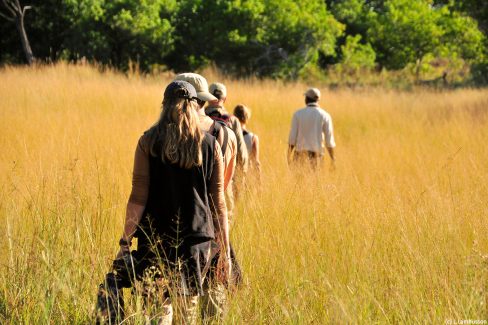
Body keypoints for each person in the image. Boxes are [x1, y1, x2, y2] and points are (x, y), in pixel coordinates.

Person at [96, 81, 231, 324]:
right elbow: (218, 204)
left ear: (164, 104)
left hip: (154, 241)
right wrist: (225, 251)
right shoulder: (210, 145)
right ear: (194, 105)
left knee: (158, 312)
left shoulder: (148, 142)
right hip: (197, 243)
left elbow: (137, 198)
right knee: (186, 312)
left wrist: (125, 242)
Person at [206, 82, 248, 214]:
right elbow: (241, 152)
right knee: (225, 216)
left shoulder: (198, 117)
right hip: (225, 179)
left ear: (207, 97)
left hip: (199, 179)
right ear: (225, 99)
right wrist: (241, 177)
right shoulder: (232, 120)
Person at [288, 88, 336, 170]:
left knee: (298, 181)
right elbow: (329, 141)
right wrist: (333, 159)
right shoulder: (325, 115)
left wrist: (288, 156)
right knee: (315, 181)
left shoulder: (298, 114)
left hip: (299, 155)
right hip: (317, 156)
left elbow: (292, 139)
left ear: (306, 99)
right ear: (318, 99)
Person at [233, 104, 261, 179]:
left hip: (232, 174)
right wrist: (259, 181)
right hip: (247, 175)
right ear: (247, 117)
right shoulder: (253, 138)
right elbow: (256, 162)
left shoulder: (230, 134)